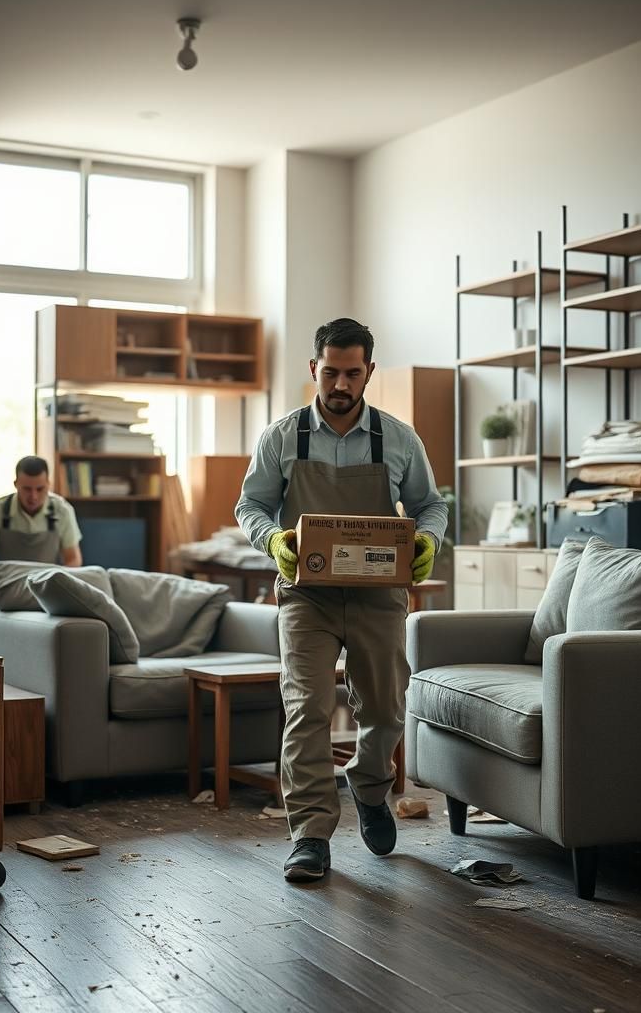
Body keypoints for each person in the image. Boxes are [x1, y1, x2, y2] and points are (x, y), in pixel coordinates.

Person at [235, 317, 448, 881]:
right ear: (314, 368)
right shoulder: (282, 437)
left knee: (385, 708)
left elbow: (430, 505)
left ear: (368, 371)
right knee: (305, 707)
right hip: (307, 596)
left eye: (352, 373)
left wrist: (428, 540)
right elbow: (250, 505)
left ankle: (370, 788)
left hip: (380, 596)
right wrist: (272, 540)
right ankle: (309, 834)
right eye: (330, 372)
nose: (340, 384)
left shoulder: (398, 438)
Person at [0, 455, 83, 581]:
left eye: (40, 489)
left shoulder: (63, 511)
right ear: (16, 484)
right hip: (2, 586)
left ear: (48, 484)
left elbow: (73, 559)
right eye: (27, 489)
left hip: (47, 586)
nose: (33, 496)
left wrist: (58, 581)